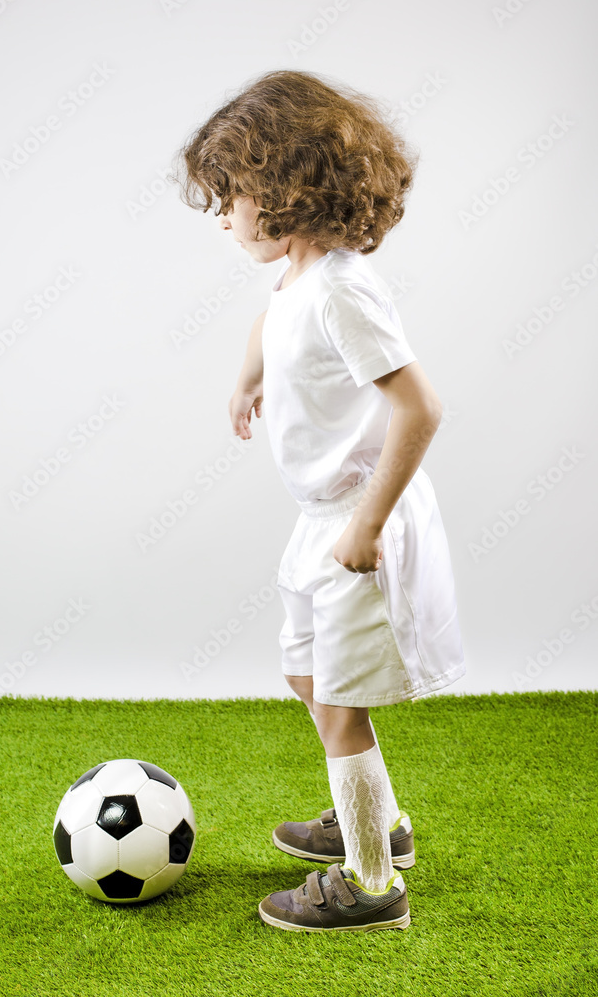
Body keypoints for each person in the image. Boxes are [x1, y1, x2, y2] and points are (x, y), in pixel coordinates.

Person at [172, 68, 466, 932]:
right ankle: (377, 819)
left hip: (359, 521)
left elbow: (420, 406)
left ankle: (373, 883)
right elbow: (274, 319)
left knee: (340, 704)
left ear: (283, 190)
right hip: (318, 522)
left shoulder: (342, 287)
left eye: (230, 196)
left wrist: (368, 525)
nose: (222, 216)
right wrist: (247, 376)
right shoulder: (297, 279)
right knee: (304, 673)